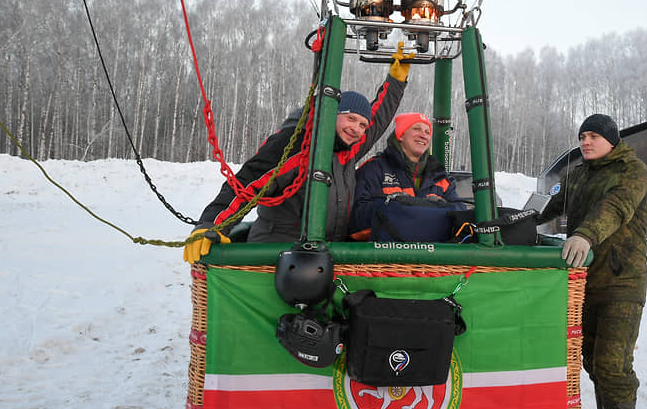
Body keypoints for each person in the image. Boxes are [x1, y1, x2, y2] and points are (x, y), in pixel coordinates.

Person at [184, 44, 415, 264]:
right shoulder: (297, 144)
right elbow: (246, 183)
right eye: (351, 118)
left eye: (362, 125)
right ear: (332, 113)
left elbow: (378, 117)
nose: (357, 129)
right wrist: (211, 225)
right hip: (275, 257)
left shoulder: (346, 149)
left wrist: (396, 81)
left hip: (319, 260)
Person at [537, 113, 647, 409]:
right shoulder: (580, 174)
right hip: (585, 284)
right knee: (593, 362)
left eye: (593, 136)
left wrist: (584, 235)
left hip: (622, 284)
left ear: (611, 140)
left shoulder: (632, 171)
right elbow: (548, 207)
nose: (585, 142)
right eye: (582, 136)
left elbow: (614, 208)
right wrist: (512, 218)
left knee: (615, 368)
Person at [349, 112, 463, 241]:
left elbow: (459, 214)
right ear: (400, 135)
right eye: (416, 129)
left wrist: (413, 211)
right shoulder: (374, 169)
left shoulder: (440, 177)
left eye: (427, 132)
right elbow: (356, 219)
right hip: (384, 256)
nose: (423, 135)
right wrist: (398, 208)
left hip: (432, 257)